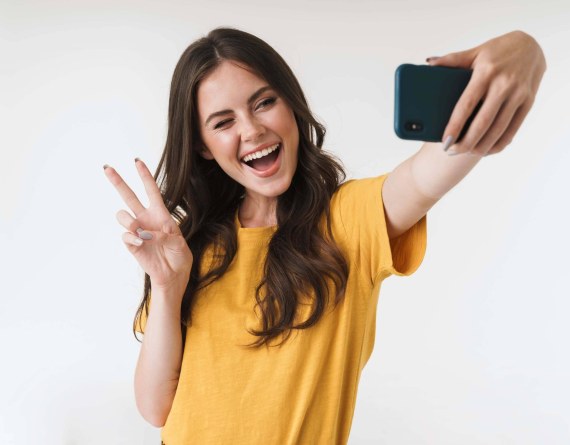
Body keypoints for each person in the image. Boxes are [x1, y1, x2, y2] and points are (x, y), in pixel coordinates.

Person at [103, 28, 546, 444]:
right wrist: (166, 286)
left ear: (291, 104)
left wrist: (527, 50)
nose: (252, 130)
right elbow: (156, 407)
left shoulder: (347, 221)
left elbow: (441, 163)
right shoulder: (188, 249)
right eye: (223, 122)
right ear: (202, 146)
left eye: (263, 102)